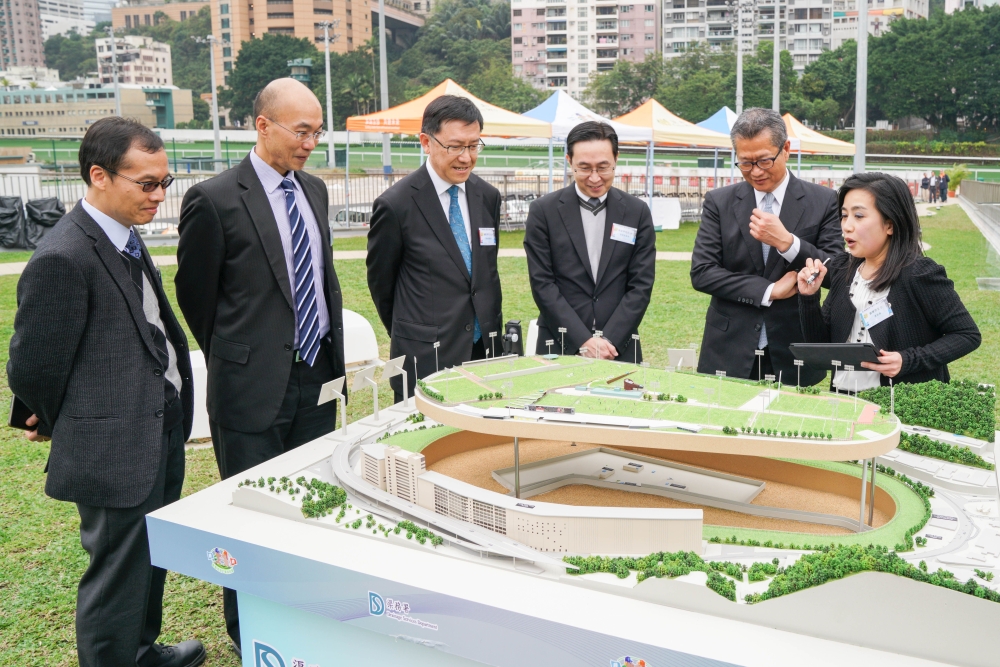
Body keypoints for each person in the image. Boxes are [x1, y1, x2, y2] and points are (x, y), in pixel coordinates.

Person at [7, 117, 203, 667]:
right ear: (99, 175)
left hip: (159, 426)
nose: (159, 196)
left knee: (150, 556)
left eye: (165, 182)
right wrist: (60, 420)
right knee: (118, 571)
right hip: (112, 446)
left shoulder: (124, 234)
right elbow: (32, 368)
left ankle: (142, 651)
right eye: (147, 183)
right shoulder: (64, 255)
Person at [175, 78, 345, 656]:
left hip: (316, 376)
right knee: (249, 513)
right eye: (301, 131)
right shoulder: (215, 198)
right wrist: (241, 353)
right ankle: (249, 629)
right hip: (250, 386)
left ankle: (303, 613)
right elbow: (196, 296)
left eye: (317, 132)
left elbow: (321, 276)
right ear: (263, 125)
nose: (310, 143)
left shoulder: (314, 190)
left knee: (309, 504)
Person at [690, 107, 844, 385]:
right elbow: (702, 272)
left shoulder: (823, 200)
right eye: (745, 163)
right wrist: (769, 291)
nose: (756, 172)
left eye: (764, 160)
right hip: (729, 347)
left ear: (786, 149)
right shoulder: (719, 202)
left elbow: (837, 273)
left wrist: (788, 243)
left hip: (793, 345)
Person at [367, 95, 503, 402]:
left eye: (473, 146)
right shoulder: (396, 204)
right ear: (426, 142)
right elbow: (381, 284)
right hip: (426, 356)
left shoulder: (487, 196)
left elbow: (485, 272)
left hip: (484, 352)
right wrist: (414, 333)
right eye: (455, 147)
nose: (466, 157)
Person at [797, 172, 980, 390]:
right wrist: (809, 298)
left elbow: (967, 334)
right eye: (844, 215)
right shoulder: (843, 269)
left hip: (901, 402)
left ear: (890, 225)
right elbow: (821, 346)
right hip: (845, 399)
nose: (846, 226)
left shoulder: (919, 273)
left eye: (859, 216)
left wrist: (908, 360)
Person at [523, 121, 656, 360]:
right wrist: (582, 340)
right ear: (569, 161)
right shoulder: (544, 211)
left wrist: (609, 341)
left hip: (619, 346)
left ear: (616, 159)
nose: (594, 178)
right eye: (584, 168)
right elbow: (542, 283)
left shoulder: (637, 212)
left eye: (603, 167)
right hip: (559, 341)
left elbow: (641, 284)